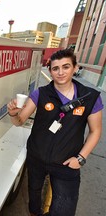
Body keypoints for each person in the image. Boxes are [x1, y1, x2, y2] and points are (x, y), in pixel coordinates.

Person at [7, 49, 103, 216]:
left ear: (75, 68)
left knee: (64, 209)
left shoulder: (90, 97)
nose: (60, 72)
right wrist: (13, 114)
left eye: (65, 67)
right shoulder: (41, 94)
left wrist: (80, 159)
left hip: (67, 163)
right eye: (55, 68)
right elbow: (20, 121)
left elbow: (95, 131)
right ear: (50, 70)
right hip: (37, 158)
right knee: (34, 194)